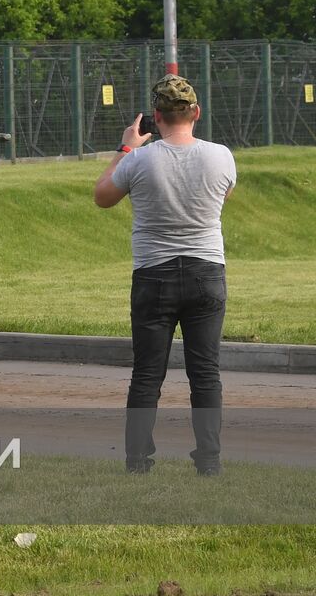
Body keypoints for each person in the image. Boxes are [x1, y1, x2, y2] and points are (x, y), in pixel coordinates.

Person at [93, 74, 236, 476]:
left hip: (153, 274)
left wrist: (125, 147)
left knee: (147, 373)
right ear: (196, 113)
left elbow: (102, 196)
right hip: (207, 271)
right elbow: (223, 195)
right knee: (206, 372)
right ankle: (209, 462)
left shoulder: (140, 159)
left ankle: (138, 461)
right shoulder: (221, 155)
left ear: (154, 117)